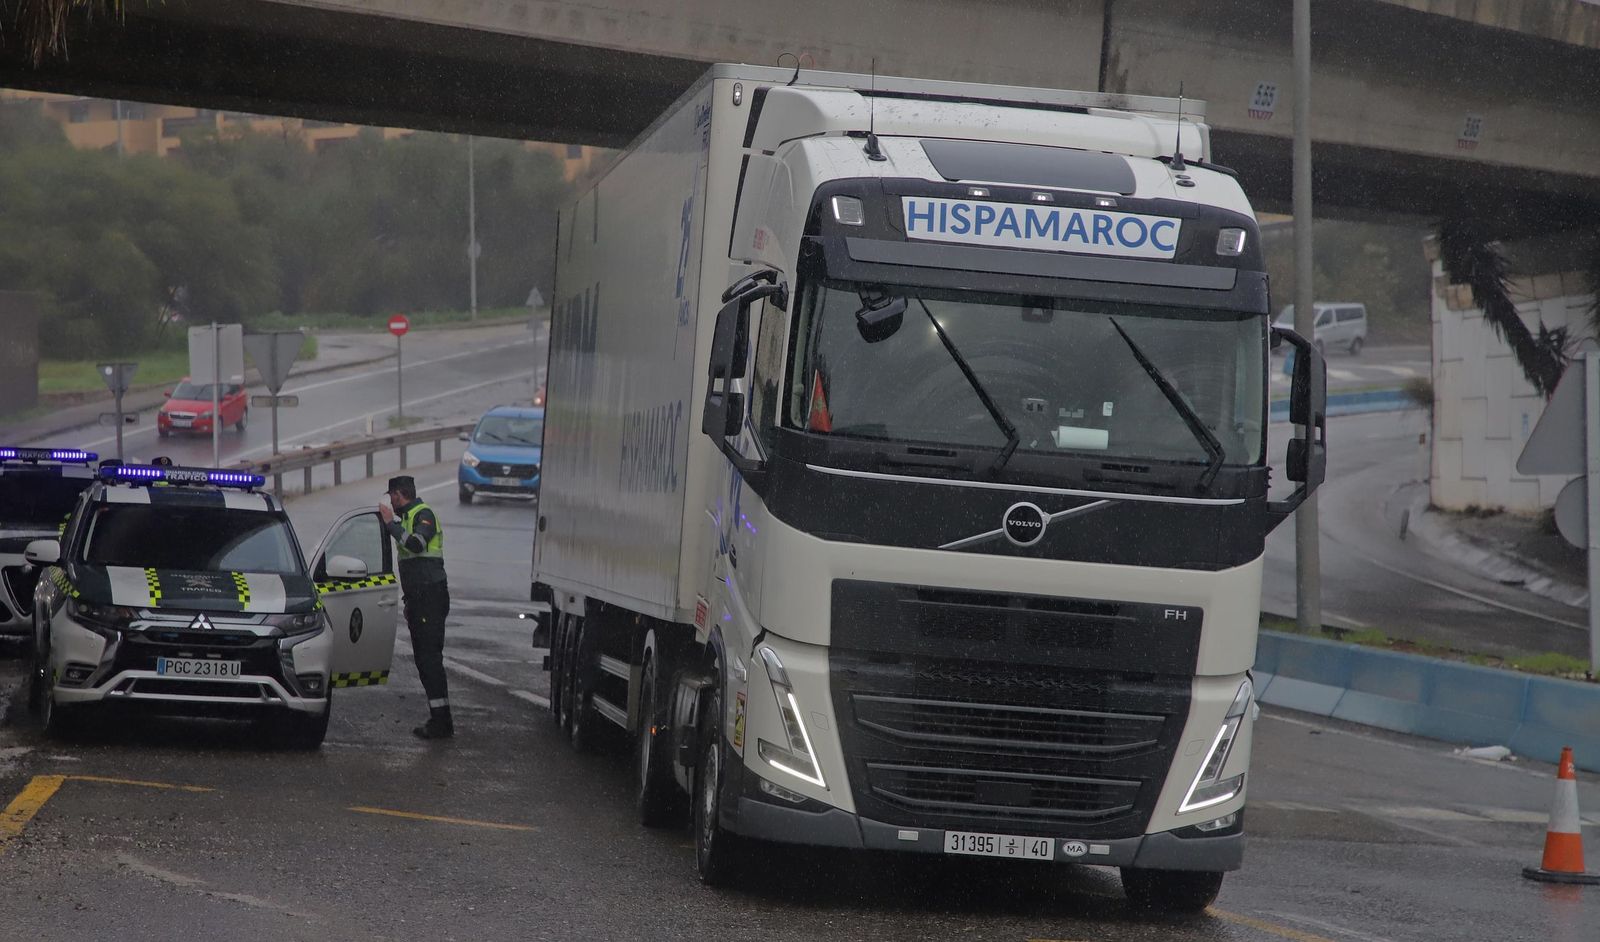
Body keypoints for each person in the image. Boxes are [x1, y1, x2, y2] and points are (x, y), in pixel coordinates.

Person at [379, 475, 453, 739]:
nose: (391, 502)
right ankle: (439, 718)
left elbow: (417, 544)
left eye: (391, 496)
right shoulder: (408, 518)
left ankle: (442, 722)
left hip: (430, 598)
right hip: (419, 600)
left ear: (399, 494)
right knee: (424, 660)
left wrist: (390, 524)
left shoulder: (423, 514)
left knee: (430, 660)